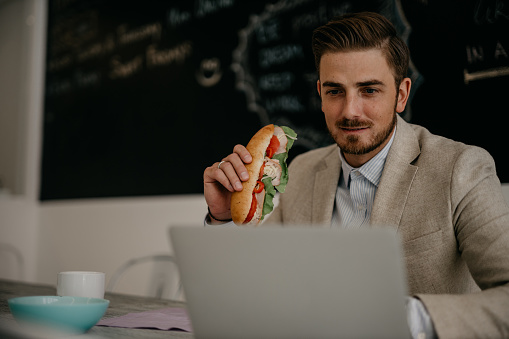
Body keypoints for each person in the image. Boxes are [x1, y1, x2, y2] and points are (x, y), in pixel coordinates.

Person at [203, 12, 509, 339]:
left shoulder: (462, 169)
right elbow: (253, 286)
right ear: (320, 93)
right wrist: (223, 219)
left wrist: (411, 319)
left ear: (401, 94)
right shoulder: (303, 172)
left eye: (369, 90)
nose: (350, 110)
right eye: (335, 91)